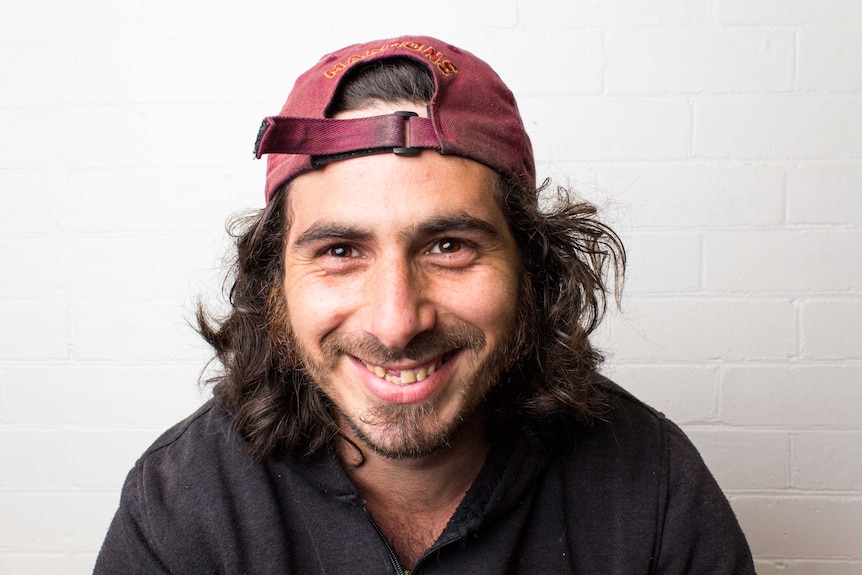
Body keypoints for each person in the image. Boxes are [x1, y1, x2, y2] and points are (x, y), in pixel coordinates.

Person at [94, 35, 755, 574]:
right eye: (341, 251)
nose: (397, 320)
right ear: (276, 283)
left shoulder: (655, 489)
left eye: (448, 245)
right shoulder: (180, 509)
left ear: (532, 266)